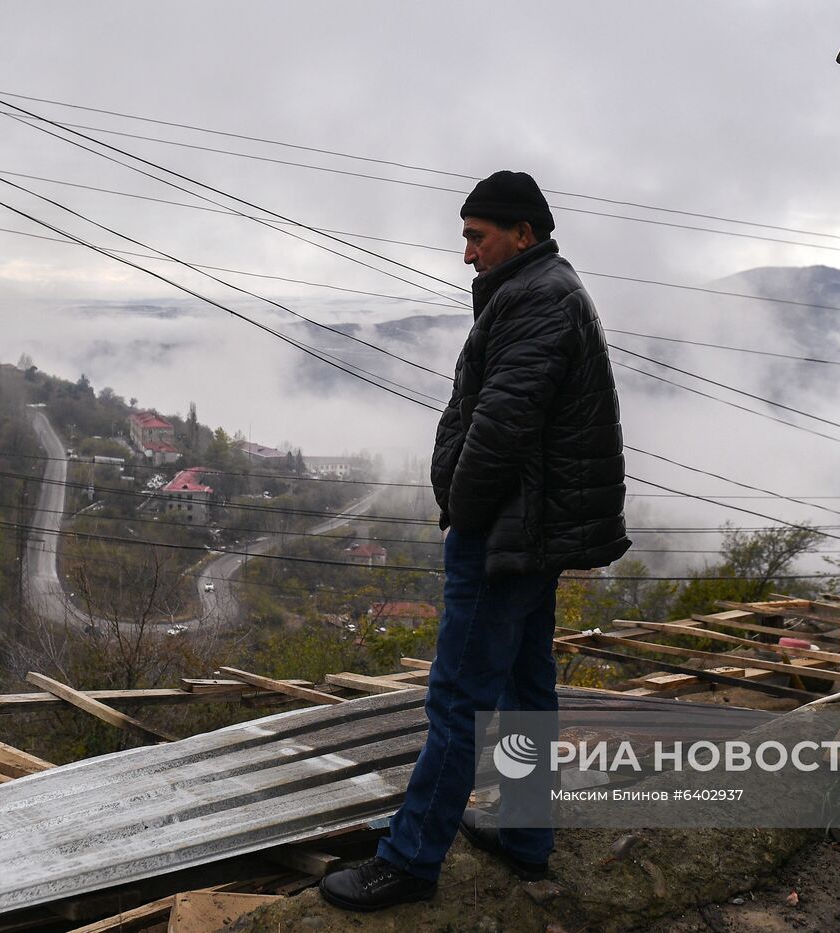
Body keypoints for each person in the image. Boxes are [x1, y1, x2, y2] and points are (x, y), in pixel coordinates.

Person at [319, 170, 630, 912]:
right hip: (529, 532)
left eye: (476, 236)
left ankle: (409, 859)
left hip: (503, 535)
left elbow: (501, 422)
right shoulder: (547, 289)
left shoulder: (536, 299)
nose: (467, 253)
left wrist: (461, 506)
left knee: (457, 698)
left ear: (523, 233)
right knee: (526, 689)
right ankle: (526, 833)